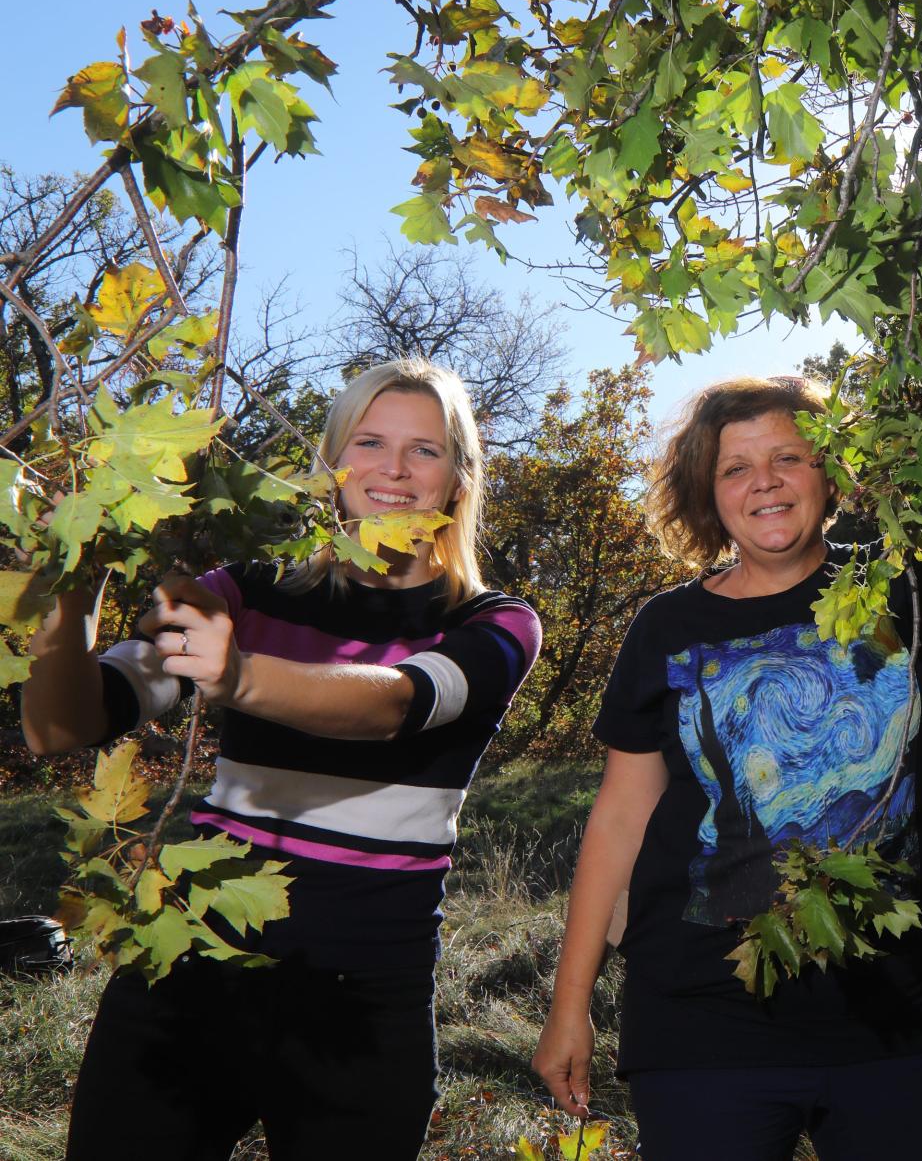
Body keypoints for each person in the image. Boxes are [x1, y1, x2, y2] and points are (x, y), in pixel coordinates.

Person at [532, 330, 922, 1161]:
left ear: (829, 471)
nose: (765, 482)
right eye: (736, 468)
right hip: (699, 1017)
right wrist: (571, 1003)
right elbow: (619, 821)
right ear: (706, 496)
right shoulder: (668, 626)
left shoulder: (898, 587)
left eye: (788, 456)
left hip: (885, 1012)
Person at [24, 358, 542, 1161]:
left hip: (364, 992)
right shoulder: (241, 590)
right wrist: (67, 583)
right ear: (332, 460)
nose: (394, 469)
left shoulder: (497, 622)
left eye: (425, 449)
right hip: (190, 963)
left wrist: (239, 676)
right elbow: (62, 726)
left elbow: (394, 704)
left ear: (460, 476)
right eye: (369, 441)